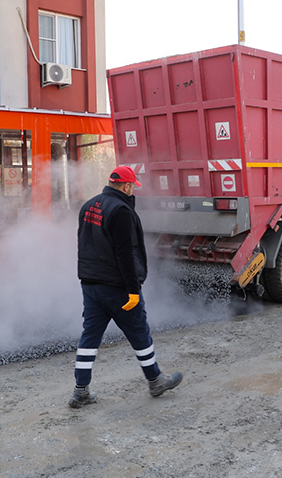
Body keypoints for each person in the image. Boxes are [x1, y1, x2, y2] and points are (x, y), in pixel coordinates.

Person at [69, 166, 183, 408]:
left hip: (91, 285)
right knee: (139, 332)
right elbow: (126, 254)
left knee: (89, 337)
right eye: (132, 187)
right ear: (126, 186)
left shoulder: (89, 205)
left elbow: (84, 244)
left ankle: (80, 391)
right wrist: (133, 289)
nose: (133, 191)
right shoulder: (121, 211)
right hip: (117, 287)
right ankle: (155, 381)